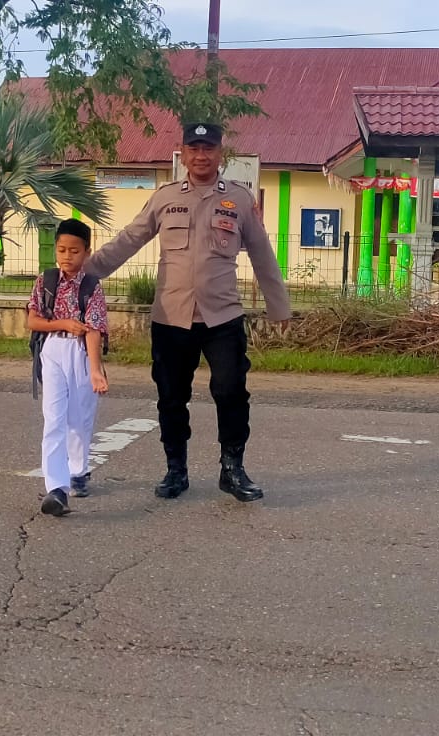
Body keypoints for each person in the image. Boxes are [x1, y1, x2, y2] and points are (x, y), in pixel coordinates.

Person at [83, 122, 290, 503]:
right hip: (171, 317)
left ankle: (232, 468)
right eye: (194, 148)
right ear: (183, 152)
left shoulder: (239, 200)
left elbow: (262, 253)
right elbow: (129, 239)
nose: (201, 155)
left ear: (220, 154)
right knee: (171, 397)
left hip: (222, 317)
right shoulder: (164, 198)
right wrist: (83, 274)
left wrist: (280, 307)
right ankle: (175, 469)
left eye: (208, 148)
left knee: (231, 391)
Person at [27, 218, 110, 517]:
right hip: (53, 349)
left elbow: (94, 329)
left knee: (80, 417)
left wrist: (96, 369)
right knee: (53, 418)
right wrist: (61, 324)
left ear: (87, 252)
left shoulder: (91, 287)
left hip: (82, 352)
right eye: (61, 249)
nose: (66, 256)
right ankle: (57, 488)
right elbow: (32, 321)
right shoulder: (45, 281)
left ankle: (79, 470)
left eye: (74, 251)